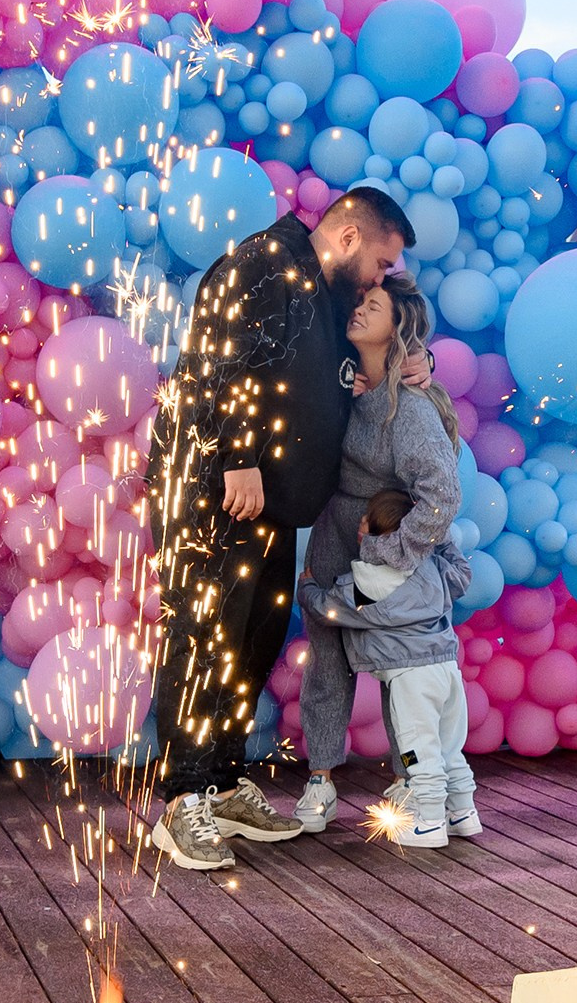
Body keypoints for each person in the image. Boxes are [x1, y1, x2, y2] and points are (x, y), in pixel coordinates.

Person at [147, 185, 419, 872]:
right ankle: (181, 802)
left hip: (268, 505)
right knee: (206, 634)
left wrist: (419, 362)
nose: (381, 279)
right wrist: (237, 455)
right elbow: (217, 358)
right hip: (215, 490)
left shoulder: (323, 289)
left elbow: (350, 352)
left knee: (251, 640)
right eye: (382, 263)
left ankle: (221, 780)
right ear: (352, 237)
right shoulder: (262, 264)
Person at [292, 273, 468, 834]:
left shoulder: (409, 408)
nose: (360, 311)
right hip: (334, 532)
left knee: (402, 663)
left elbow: (442, 494)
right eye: (360, 302)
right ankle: (320, 781)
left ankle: (412, 784)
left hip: (384, 532)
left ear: (400, 329)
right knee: (326, 659)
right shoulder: (338, 371)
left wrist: (395, 552)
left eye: (375, 306)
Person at [310, 486, 477, 847]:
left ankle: (430, 822)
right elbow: (463, 572)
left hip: (409, 677)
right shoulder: (433, 566)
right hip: (447, 668)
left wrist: (307, 587)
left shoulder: (369, 578)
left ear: (371, 528)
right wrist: (438, 534)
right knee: (449, 747)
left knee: (417, 747)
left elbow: (328, 608)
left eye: (366, 518)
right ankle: (463, 813)